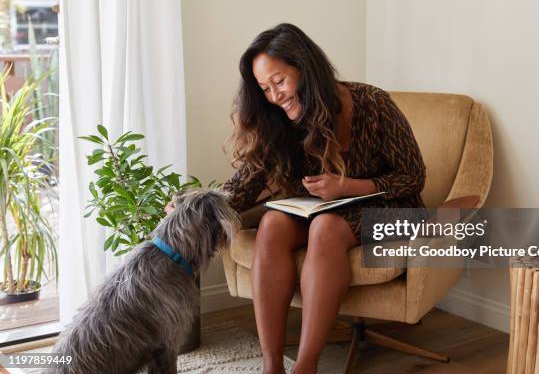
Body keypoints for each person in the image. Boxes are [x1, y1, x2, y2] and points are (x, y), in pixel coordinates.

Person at [172, 23, 426, 374]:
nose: (274, 95)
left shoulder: (373, 103)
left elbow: (413, 176)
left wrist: (348, 186)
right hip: (323, 206)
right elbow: (246, 183)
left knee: (326, 229)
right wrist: (194, 206)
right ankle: (271, 365)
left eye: (279, 81)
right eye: (264, 88)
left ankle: (305, 367)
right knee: (273, 223)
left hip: (391, 206)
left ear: (306, 69)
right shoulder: (278, 119)